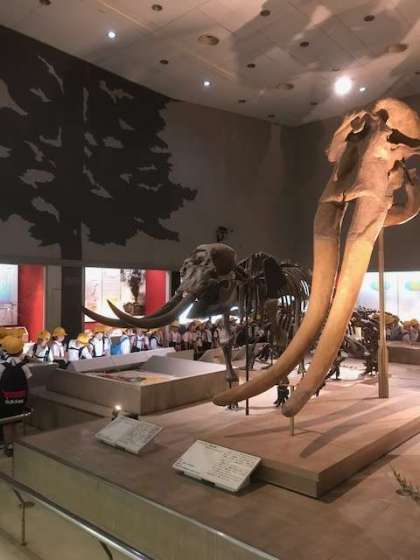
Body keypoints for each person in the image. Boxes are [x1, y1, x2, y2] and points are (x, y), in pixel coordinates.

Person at [0, 336, 31, 457]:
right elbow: (28, 382)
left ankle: (9, 446)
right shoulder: (24, 367)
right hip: (20, 401)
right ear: (21, 351)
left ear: (5, 350)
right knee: (17, 422)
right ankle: (18, 445)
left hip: (5, 401)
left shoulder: (1, 366)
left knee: (7, 423)